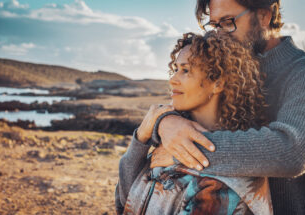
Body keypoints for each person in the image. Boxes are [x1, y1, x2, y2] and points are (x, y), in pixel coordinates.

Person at [149, 0, 305, 214]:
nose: (219, 35)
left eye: (227, 22)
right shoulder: (223, 68)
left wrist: (185, 153)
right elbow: (188, 106)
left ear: (264, 16)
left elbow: (293, 151)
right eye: (215, 25)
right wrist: (165, 122)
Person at [116, 31, 273, 214]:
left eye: (185, 70)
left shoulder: (220, 184)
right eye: (175, 69)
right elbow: (124, 202)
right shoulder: (173, 140)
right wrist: (141, 139)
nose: (173, 79)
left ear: (218, 82)